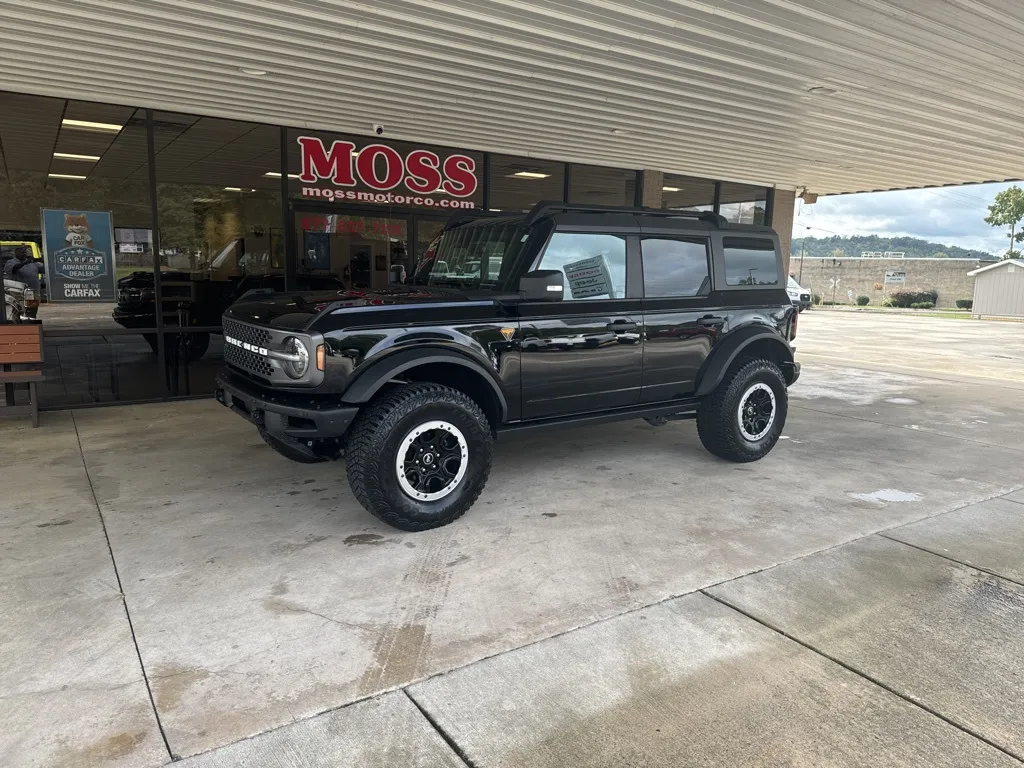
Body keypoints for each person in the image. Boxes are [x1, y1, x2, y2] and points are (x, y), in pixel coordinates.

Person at [3, 246, 42, 320]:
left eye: (24, 253)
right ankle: (20, 325)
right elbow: (14, 269)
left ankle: (32, 323)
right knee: (21, 309)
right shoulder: (10, 262)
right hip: (19, 292)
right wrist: (25, 262)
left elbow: (44, 268)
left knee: (32, 310)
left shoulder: (32, 263)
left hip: (34, 290)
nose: (24, 254)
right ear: (16, 253)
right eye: (21, 253)